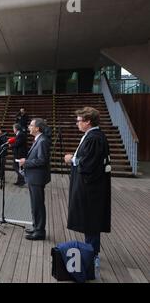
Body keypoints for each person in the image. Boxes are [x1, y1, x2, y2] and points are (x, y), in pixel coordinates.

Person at [64, 107, 111, 277]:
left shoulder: (94, 138)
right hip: (89, 188)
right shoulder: (93, 136)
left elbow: (88, 164)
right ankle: (90, 251)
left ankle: (92, 255)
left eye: (78, 120)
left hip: (91, 190)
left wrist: (72, 159)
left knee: (91, 221)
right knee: (89, 221)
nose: (77, 123)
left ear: (87, 121)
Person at [19, 118, 51, 241]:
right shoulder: (39, 139)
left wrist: (25, 162)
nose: (28, 127)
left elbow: (42, 160)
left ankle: (40, 231)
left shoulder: (42, 141)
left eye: (31, 125)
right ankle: (36, 227)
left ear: (37, 128)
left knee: (38, 205)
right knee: (35, 204)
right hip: (34, 177)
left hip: (37, 178)